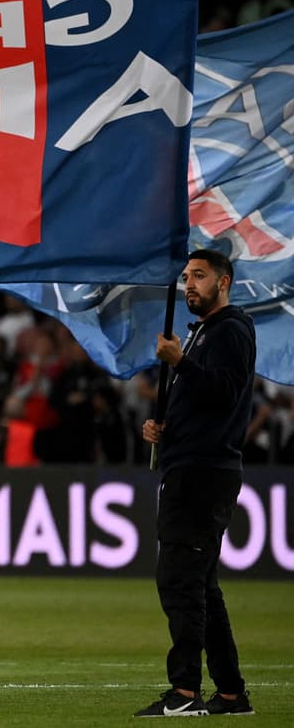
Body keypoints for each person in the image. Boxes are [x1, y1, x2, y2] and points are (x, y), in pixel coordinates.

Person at [136, 249, 255, 718]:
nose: (188, 284)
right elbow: (207, 402)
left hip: (204, 472)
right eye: (186, 276)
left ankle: (184, 693)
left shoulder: (231, 329)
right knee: (202, 586)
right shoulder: (206, 331)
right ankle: (230, 694)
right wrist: (163, 430)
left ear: (223, 283)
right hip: (193, 464)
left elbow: (226, 391)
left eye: (199, 276)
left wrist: (180, 362)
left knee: (179, 580)